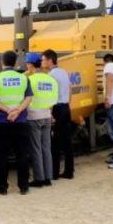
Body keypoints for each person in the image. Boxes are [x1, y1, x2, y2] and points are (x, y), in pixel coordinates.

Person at [0, 51, 33, 195]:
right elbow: (28, 97)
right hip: (21, 121)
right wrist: (18, 111)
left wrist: (8, 111)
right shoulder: (23, 78)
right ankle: (24, 186)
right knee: (22, 154)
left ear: (2, 62)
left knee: (2, 155)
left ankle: (2, 187)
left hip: (3, 122)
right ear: (15, 63)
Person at [41, 49, 74, 179]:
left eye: (43, 59)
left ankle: (54, 172)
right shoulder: (63, 72)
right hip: (66, 107)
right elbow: (70, 89)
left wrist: (50, 113)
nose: (42, 62)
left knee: (54, 142)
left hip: (57, 109)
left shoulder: (51, 76)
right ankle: (69, 171)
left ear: (50, 60)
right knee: (67, 141)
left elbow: (51, 96)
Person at [25, 53, 57, 186]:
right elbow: (54, 99)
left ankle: (39, 179)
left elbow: (26, 99)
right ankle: (48, 178)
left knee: (36, 148)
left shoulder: (30, 80)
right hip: (47, 115)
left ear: (30, 65)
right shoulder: (50, 79)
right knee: (46, 147)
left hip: (33, 116)